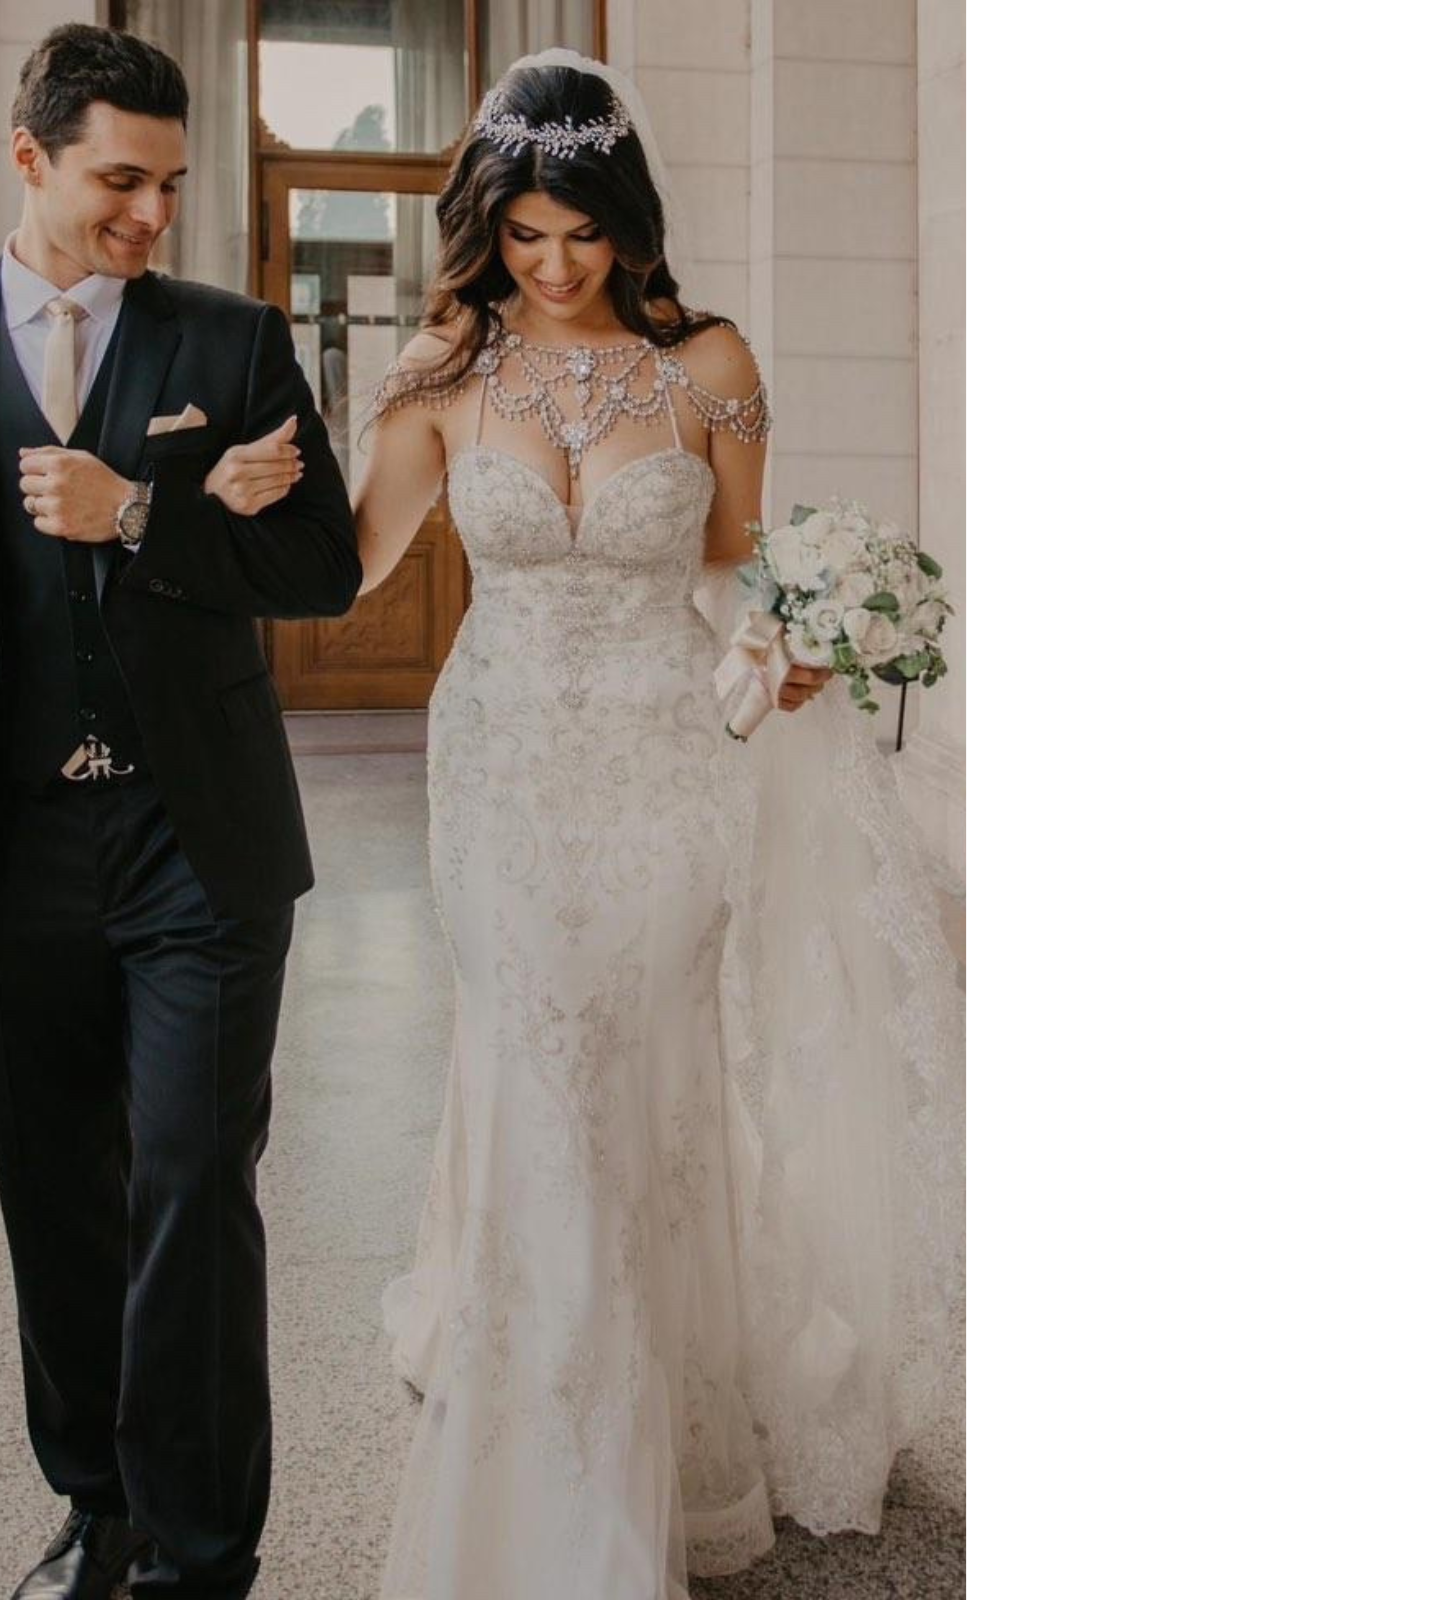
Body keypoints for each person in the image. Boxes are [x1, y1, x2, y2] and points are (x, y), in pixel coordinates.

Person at [354, 50, 964, 1599]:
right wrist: (201, 507)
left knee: (648, 1089)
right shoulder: (439, 377)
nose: (555, 269)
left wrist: (796, 641)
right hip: (497, 774)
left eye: (585, 234)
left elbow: (736, 569)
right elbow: (347, 570)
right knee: (533, 1067)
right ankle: (546, 1433)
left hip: (665, 774)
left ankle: (660, 1430)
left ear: (631, 221)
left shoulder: (711, 366)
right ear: (485, 226)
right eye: (525, 237)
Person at [0, 26, 357, 1600]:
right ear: (27, 158)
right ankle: (98, 1510)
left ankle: (205, 1553)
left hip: (199, 846)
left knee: (190, 1186)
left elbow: (321, 572)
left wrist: (148, 507)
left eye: (171, 182)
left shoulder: (230, 346)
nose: (152, 214)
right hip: (5, 850)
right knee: (56, 1202)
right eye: (120, 179)